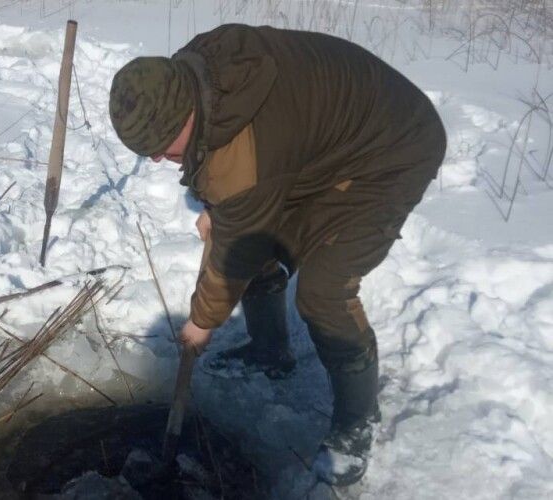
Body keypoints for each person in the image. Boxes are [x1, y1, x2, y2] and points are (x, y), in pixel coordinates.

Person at [108, 23, 446, 486]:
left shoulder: (241, 149)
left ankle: (356, 422)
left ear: (184, 115)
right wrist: (220, 209)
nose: (156, 160)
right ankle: (271, 350)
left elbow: (238, 233)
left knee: (324, 291)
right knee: (251, 233)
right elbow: (234, 175)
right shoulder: (192, 74)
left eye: (160, 147)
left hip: (391, 150)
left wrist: (201, 323)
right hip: (323, 144)